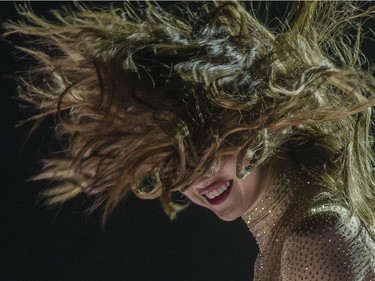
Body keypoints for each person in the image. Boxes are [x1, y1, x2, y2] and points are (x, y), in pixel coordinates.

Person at [4, 1, 375, 279]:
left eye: (209, 148)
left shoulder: (313, 239)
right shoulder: (290, 232)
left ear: (255, 121)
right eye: (176, 162)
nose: (199, 179)